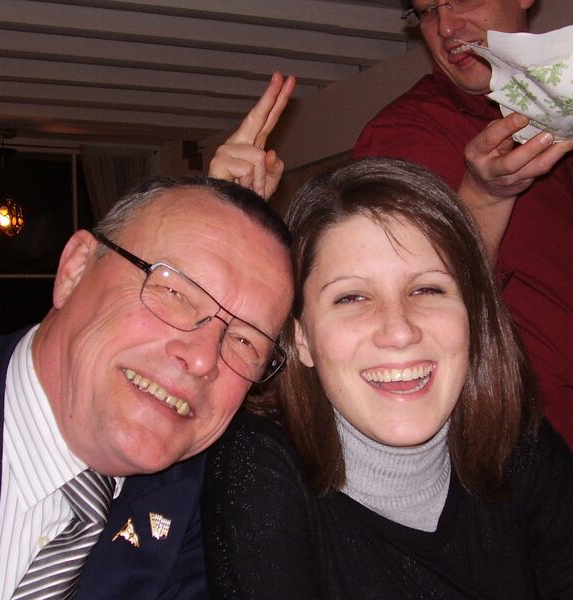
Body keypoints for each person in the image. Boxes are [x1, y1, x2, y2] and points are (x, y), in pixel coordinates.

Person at [202, 156, 573, 598]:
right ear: (302, 338)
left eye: (427, 289)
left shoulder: (523, 447)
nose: (399, 331)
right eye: (352, 297)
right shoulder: (258, 467)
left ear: (473, 314)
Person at [0, 173, 293, 599]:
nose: (202, 359)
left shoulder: (217, 510)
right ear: (75, 270)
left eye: (245, 341)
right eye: (176, 292)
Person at [352, 0, 573, 447]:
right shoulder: (403, 135)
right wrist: (482, 195)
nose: (447, 27)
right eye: (427, 11)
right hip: (525, 447)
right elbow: (398, 307)